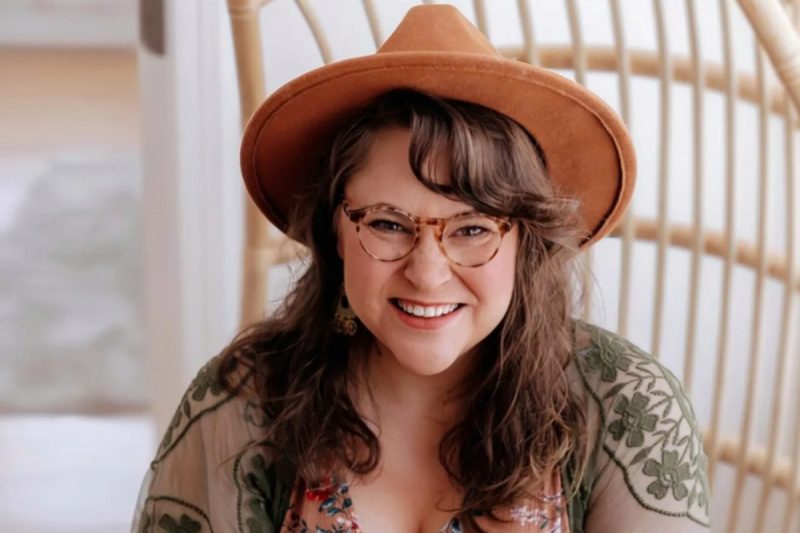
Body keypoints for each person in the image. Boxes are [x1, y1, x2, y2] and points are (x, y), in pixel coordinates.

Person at [132, 5, 710, 532]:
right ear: (335, 230)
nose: (428, 273)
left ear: (525, 242)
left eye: (473, 229)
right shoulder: (243, 402)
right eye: (386, 224)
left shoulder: (627, 408)